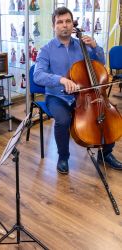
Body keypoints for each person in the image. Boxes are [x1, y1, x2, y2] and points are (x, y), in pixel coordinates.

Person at [33, 7, 122, 174]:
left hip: (84, 95)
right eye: (60, 22)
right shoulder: (46, 49)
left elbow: (100, 64)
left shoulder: (81, 45)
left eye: (67, 21)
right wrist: (60, 79)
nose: (64, 25)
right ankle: (63, 157)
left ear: (72, 25)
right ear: (54, 26)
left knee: (105, 114)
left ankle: (106, 154)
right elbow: (37, 75)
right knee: (63, 120)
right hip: (57, 96)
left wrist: (95, 47)